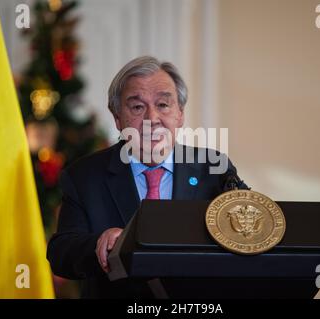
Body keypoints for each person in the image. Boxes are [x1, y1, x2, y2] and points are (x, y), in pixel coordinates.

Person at [47, 56, 247, 298]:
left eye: (163, 105)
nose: (152, 119)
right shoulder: (85, 175)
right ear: (117, 118)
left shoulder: (215, 169)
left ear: (180, 114)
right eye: (137, 107)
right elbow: (61, 253)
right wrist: (99, 243)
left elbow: (250, 225)